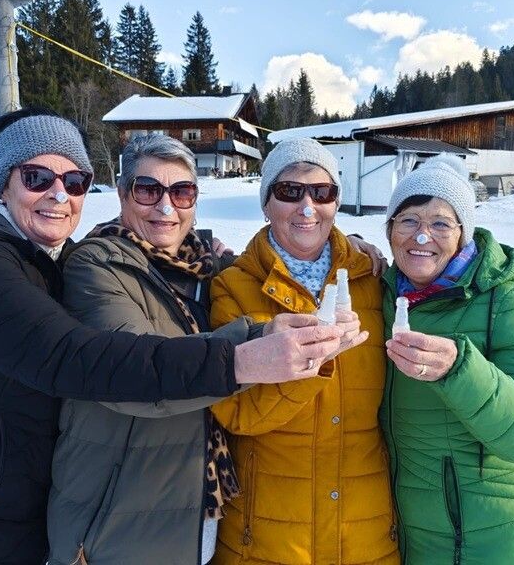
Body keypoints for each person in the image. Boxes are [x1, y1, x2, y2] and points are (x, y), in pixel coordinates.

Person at [0, 109, 345, 565]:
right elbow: (79, 360)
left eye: (74, 182)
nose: (58, 195)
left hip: (52, 509)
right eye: (37, 178)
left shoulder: (177, 267)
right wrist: (242, 355)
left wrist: (343, 249)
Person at [46, 134, 368, 565]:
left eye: (181, 192)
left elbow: (269, 260)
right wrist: (255, 343)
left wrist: (357, 251)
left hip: (194, 516)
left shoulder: (203, 268)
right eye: (148, 190)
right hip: (115, 520)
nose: (166, 207)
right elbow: (137, 372)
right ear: (122, 194)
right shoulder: (97, 267)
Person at [210, 138, 400, 565]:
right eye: (290, 192)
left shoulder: (372, 280)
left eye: (323, 192)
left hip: (366, 535)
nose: (307, 206)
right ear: (266, 203)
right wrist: (312, 362)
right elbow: (238, 415)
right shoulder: (233, 288)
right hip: (265, 539)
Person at [379, 155, 514, 564]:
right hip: (419, 541)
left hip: (502, 542)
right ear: (390, 231)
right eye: (408, 220)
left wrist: (460, 369)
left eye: (440, 223)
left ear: (464, 232)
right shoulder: (386, 296)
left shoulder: (512, 301)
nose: (422, 236)